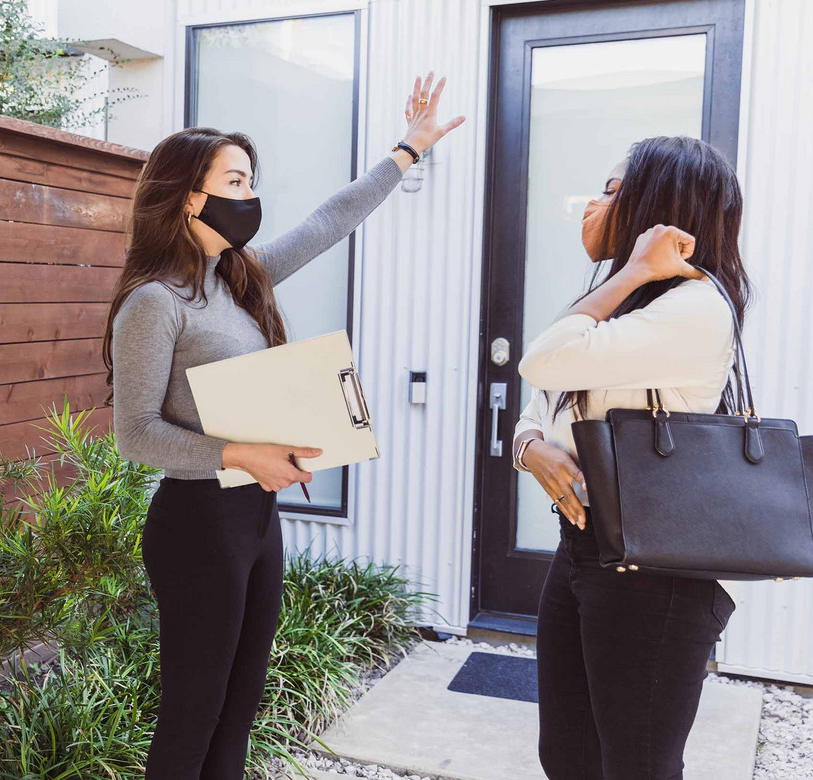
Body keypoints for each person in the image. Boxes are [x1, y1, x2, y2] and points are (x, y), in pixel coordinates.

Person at [102, 74, 465, 779]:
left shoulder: (240, 279)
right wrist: (243, 451)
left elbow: (329, 221)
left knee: (238, 707)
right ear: (187, 196)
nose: (249, 197)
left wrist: (409, 149)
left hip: (254, 517)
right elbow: (135, 433)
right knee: (193, 713)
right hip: (197, 522)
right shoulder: (153, 302)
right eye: (235, 181)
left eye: (250, 180)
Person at [511, 135, 751, 779]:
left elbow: (545, 357)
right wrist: (528, 445)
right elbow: (550, 396)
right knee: (568, 754)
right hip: (585, 548)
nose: (595, 204)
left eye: (613, 191)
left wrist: (636, 270)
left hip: (653, 570)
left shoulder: (694, 307)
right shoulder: (634, 305)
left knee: (637, 764)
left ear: (657, 207)